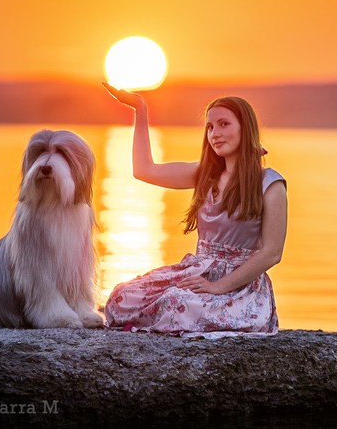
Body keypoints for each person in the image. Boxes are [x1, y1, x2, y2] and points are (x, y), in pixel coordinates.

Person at [101, 82, 287, 338]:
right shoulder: (204, 175)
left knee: (178, 303)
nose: (214, 134)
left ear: (246, 128)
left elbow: (272, 253)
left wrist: (218, 287)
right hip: (196, 271)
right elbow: (144, 170)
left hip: (240, 286)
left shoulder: (270, 183)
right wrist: (140, 108)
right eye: (210, 127)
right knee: (121, 297)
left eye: (224, 124)